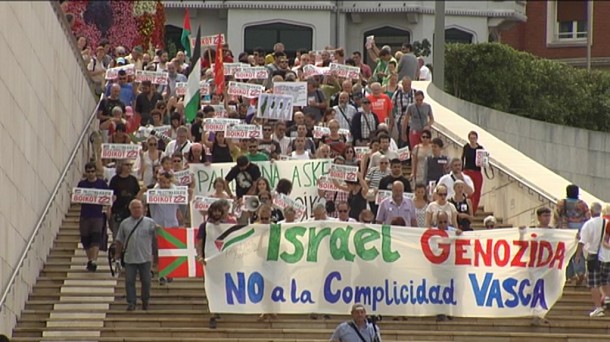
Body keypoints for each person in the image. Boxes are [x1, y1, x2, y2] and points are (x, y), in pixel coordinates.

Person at [115, 199, 158, 311]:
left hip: (146, 257)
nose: (137, 210)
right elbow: (119, 240)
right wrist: (117, 255)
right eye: (134, 208)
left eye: (139, 207)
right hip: (130, 258)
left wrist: (156, 256)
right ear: (130, 210)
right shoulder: (124, 223)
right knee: (129, 281)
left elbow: (156, 239)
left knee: (146, 281)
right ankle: (131, 302)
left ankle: (145, 301)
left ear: (143, 209)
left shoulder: (150, 222)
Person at [195, 201, 228, 328]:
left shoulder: (226, 225)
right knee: (210, 286)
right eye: (214, 211)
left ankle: (218, 307)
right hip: (208, 260)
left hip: (222, 261)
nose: (217, 213)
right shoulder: (204, 226)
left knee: (221, 285)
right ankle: (213, 313)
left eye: (219, 211)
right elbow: (199, 241)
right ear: (211, 212)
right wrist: (199, 255)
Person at [575, 202, 610, 317]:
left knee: (594, 284)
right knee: (606, 281)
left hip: (594, 257)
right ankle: (607, 298)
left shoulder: (589, 224)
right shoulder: (607, 222)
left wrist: (577, 255)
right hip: (607, 257)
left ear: (590, 211)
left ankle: (598, 308)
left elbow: (582, 242)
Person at [555, 184, 591, 285]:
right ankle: (580, 272)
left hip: (566, 231)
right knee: (578, 252)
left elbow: (557, 215)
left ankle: (569, 276)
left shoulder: (562, 203)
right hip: (580, 230)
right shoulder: (582, 204)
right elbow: (588, 217)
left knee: (567, 253)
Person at [77, 162, 109, 271]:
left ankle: (93, 260)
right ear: (86, 172)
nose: (91, 173)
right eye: (88, 171)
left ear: (95, 172)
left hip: (97, 215)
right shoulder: (82, 184)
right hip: (85, 215)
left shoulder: (101, 184)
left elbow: (108, 198)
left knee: (96, 237)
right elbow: (78, 199)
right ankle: (90, 259)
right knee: (85, 239)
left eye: (92, 171)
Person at [109, 160, 146, 237]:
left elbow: (137, 196)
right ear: (121, 166)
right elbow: (109, 196)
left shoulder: (133, 180)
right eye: (127, 165)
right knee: (117, 237)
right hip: (118, 212)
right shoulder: (114, 180)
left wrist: (142, 192)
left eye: (130, 165)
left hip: (130, 213)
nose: (129, 167)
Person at [462, 131, 485, 213]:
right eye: (471, 138)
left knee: (477, 192)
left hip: (477, 172)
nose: (472, 140)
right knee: (469, 192)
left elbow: (482, 162)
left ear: (476, 139)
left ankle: (473, 210)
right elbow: (463, 159)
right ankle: (467, 209)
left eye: (474, 138)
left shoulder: (480, 148)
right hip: (467, 171)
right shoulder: (466, 147)